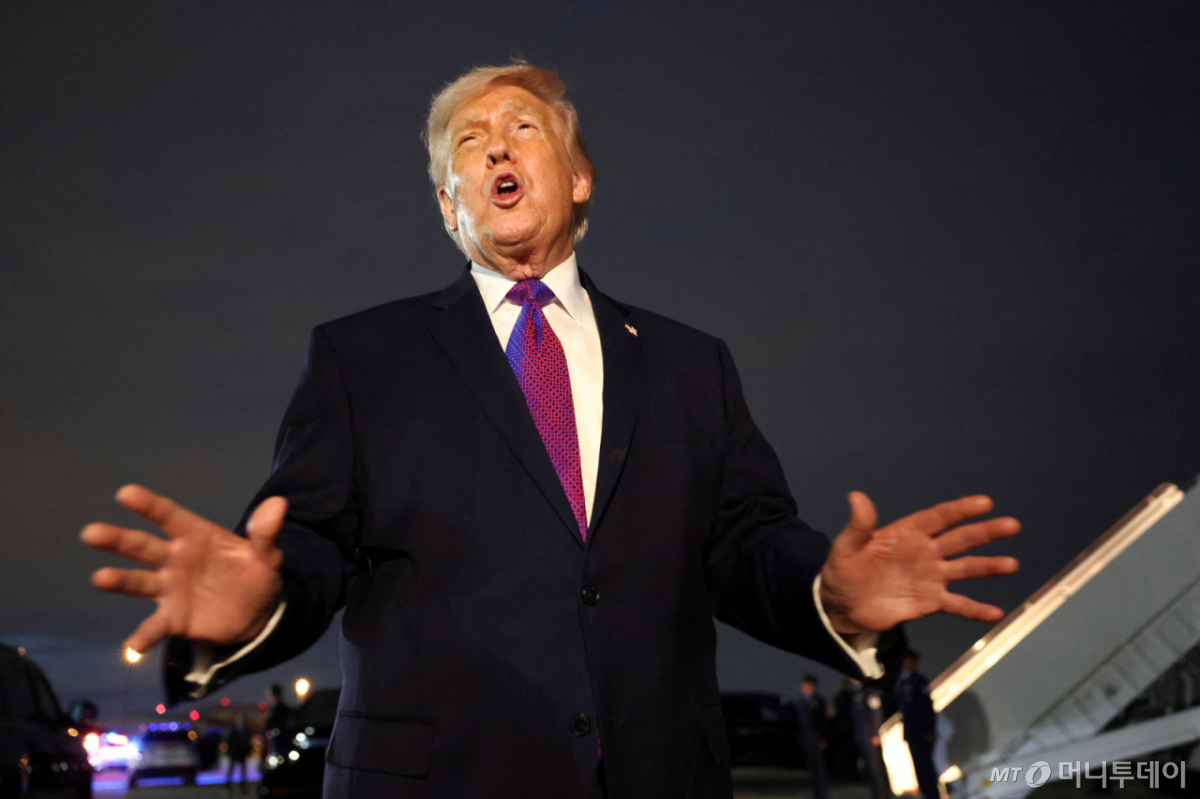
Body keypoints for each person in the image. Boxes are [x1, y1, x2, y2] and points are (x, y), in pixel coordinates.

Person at [80, 61, 1020, 798]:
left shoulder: (691, 364)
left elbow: (744, 543)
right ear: (449, 205)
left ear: (577, 178)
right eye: (469, 140)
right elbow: (310, 543)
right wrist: (259, 601)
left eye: (522, 127)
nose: (495, 144)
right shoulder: (360, 358)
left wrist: (829, 593)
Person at [897, 651, 941, 799]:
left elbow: (927, 708)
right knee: (919, 770)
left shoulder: (919, 681)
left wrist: (929, 731)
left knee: (927, 768)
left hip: (922, 733)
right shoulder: (902, 682)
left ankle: (933, 795)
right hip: (912, 734)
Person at [851, 679, 892, 799]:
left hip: (871, 737)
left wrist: (875, 734)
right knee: (869, 769)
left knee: (877, 769)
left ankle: (882, 794)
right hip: (863, 737)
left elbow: (876, 713)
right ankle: (876, 793)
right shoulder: (855, 693)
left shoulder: (869, 692)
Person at [797, 675, 830, 799]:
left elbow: (822, 721)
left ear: (811, 686)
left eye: (806, 685)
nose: (803, 687)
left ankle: (823, 795)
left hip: (817, 739)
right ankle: (816, 794)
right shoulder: (801, 701)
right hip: (807, 739)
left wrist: (823, 738)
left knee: (820, 769)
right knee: (812, 769)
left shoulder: (819, 700)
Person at [223, 713, 251, 795]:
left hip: (242, 754)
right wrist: (229, 752)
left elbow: (248, 743)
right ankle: (228, 787)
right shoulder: (233, 731)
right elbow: (229, 742)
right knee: (231, 770)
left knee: (243, 771)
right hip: (234, 754)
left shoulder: (246, 731)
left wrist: (247, 751)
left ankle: (243, 787)